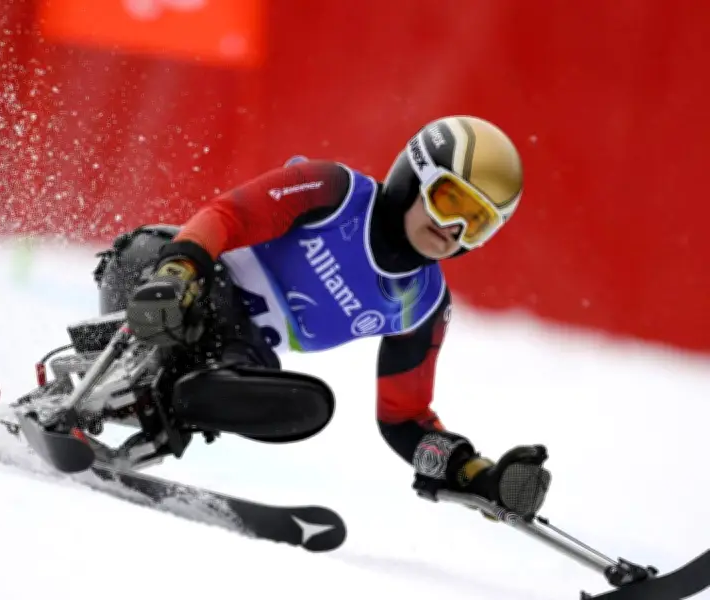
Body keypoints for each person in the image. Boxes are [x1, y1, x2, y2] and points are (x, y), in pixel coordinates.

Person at [97, 115, 551, 520]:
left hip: (227, 350)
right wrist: (178, 274)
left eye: (477, 222)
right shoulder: (337, 192)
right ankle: (180, 385)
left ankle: (169, 401)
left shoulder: (423, 302)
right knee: (232, 342)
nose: (454, 228)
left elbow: (404, 418)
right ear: (416, 175)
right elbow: (226, 216)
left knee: (295, 398)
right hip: (158, 271)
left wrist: (468, 471)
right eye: (449, 201)